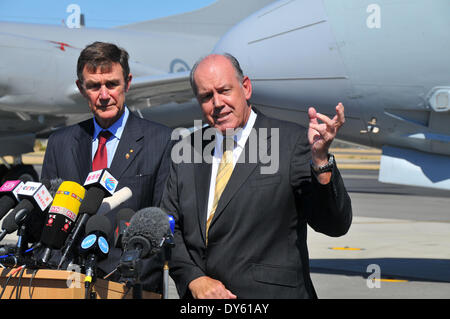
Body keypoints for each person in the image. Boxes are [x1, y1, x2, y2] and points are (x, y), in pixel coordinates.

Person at [161, 53, 352, 299]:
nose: (217, 103)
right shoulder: (188, 150)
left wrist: (321, 162)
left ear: (246, 87)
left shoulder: (290, 142)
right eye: (207, 96)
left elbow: (334, 224)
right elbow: (168, 228)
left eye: (224, 90)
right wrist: (194, 278)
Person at [41, 41, 173, 294]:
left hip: (130, 284)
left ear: (128, 83)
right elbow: (47, 222)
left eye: (112, 84)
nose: (104, 95)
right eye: (94, 86)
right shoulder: (60, 142)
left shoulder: (160, 140)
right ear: (81, 88)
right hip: (66, 282)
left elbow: (160, 224)